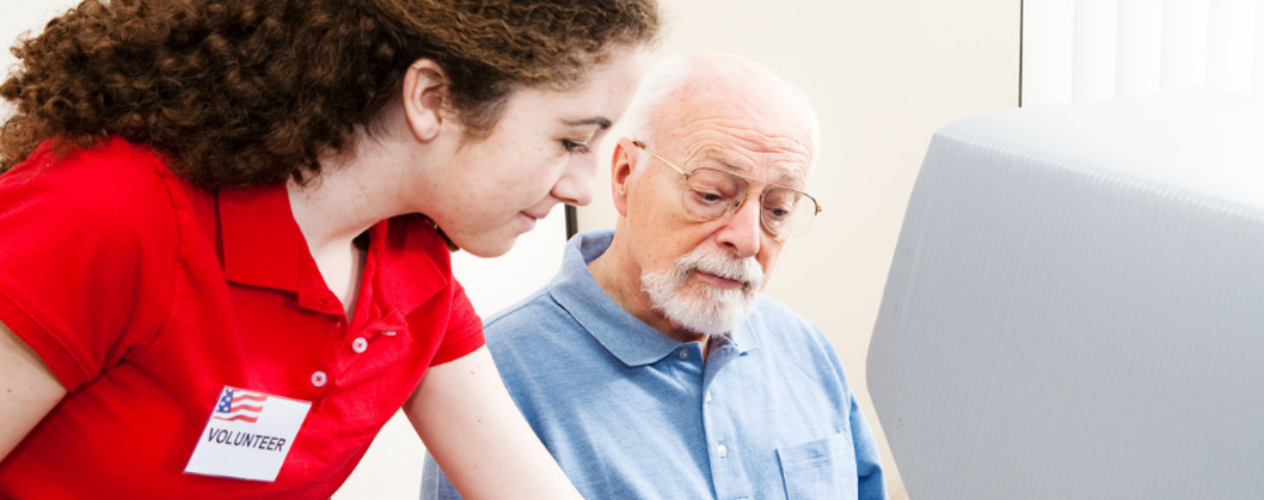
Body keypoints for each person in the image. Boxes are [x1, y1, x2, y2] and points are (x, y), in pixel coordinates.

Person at [0, 0, 659, 498]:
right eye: (572, 140)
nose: (582, 186)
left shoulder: (415, 276)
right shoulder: (109, 211)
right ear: (433, 99)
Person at [421, 54, 887, 500]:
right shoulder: (493, 376)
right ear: (625, 175)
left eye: (777, 209)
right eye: (711, 194)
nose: (747, 240)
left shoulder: (805, 352)